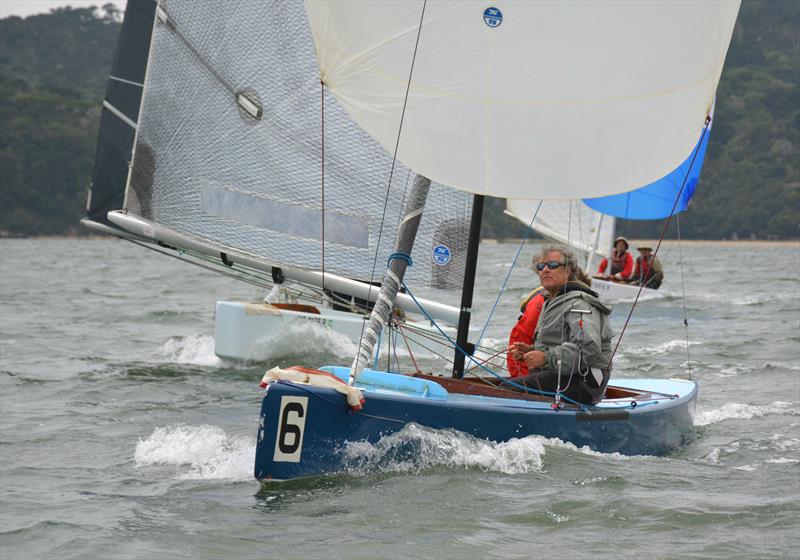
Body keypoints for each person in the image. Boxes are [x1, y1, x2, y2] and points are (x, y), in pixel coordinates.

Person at [508, 246, 614, 405]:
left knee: (507, 389)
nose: (545, 270)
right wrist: (531, 352)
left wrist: (544, 358)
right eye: (541, 266)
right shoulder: (551, 301)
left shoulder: (579, 303)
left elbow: (588, 347)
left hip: (585, 380)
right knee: (497, 386)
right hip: (563, 374)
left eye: (552, 265)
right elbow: (556, 344)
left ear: (568, 270)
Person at [506, 266, 593, 378]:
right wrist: (522, 384)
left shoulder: (572, 304)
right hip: (526, 365)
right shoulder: (541, 305)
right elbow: (519, 341)